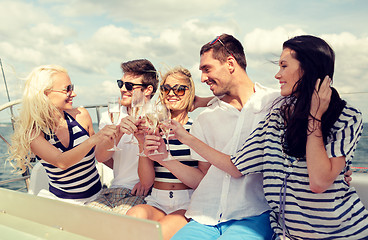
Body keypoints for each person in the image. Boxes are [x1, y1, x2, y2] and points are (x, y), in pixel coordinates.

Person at [155, 35, 368, 239]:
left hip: (331, 230)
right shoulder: (270, 115)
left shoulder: (335, 114)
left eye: (284, 66)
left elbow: (319, 180)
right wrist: (198, 105)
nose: (277, 74)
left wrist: (319, 129)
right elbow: (232, 167)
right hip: (265, 228)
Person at [144, 34, 279, 239]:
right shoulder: (206, 118)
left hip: (253, 214)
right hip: (205, 215)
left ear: (231, 63)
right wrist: (163, 157)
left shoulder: (273, 104)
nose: (203, 78)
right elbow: (202, 178)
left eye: (207, 69)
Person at [8, 65, 116, 205]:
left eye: (72, 87)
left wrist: (129, 174)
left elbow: (99, 155)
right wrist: (95, 139)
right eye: (67, 89)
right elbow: (62, 162)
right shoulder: (33, 133)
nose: (73, 93)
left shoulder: (81, 115)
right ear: (45, 94)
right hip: (64, 204)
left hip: (98, 197)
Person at [126, 66, 211, 240]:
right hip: (157, 199)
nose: (172, 93)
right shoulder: (153, 128)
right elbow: (146, 181)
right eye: (166, 88)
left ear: (190, 92)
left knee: (158, 233)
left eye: (180, 89)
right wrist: (142, 142)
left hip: (188, 201)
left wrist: (165, 158)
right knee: (132, 219)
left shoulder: (198, 128)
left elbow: (202, 181)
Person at [87, 59, 158, 214]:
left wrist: (147, 182)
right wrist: (118, 131)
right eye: (121, 84)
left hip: (142, 193)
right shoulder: (111, 117)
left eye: (129, 86)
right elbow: (100, 157)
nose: (123, 89)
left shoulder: (158, 117)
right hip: (114, 189)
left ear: (148, 90)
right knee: (84, 219)